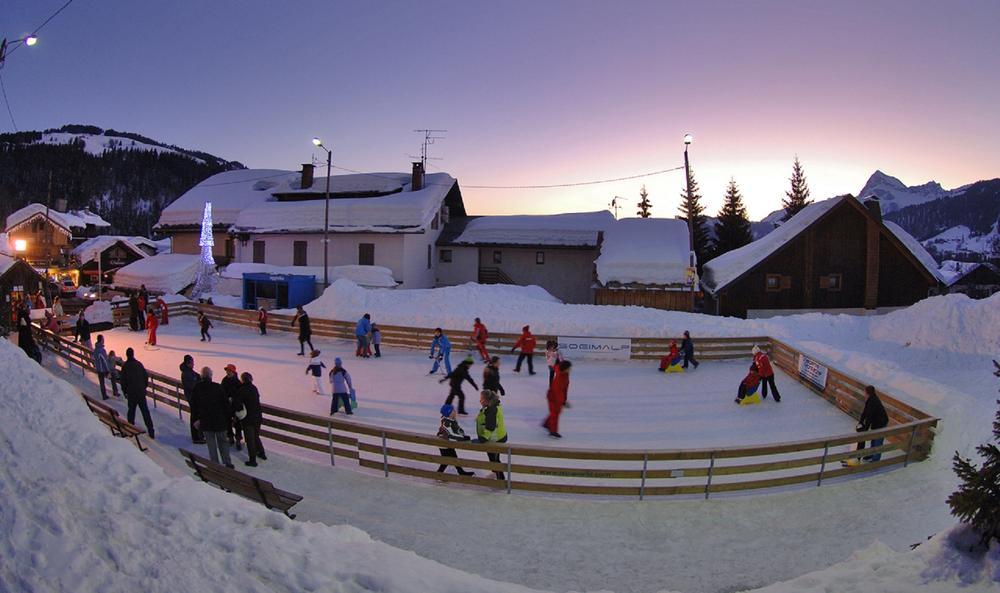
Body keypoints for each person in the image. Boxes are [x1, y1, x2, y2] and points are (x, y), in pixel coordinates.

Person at [191, 367, 233, 468]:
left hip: (206, 421)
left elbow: (194, 406)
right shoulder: (217, 387)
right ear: (210, 376)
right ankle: (227, 462)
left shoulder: (197, 388)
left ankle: (215, 464)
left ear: (202, 376)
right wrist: (229, 418)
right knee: (223, 442)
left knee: (211, 445)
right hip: (219, 421)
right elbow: (226, 404)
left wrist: (196, 419)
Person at [120, 347, 154, 439]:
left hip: (131, 393)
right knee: (145, 412)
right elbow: (145, 377)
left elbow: (123, 381)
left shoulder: (125, 366)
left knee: (131, 411)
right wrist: (143, 387)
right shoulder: (139, 364)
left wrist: (125, 391)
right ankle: (151, 430)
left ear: (127, 355)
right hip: (140, 392)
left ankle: (130, 428)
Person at [476, 390, 507, 480]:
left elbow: (490, 427)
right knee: (493, 457)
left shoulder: (491, 410)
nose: (480, 401)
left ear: (487, 400)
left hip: (495, 438)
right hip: (497, 436)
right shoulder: (492, 406)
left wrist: (483, 438)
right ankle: (495, 472)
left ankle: (501, 478)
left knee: (494, 459)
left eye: (481, 399)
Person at [436, 404, 475, 476]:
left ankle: (459, 472)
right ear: (449, 413)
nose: (455, 411)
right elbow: (451, 435)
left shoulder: (452, 421)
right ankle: (459, 472)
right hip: (444, 444)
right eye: (453, 410)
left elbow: (458, 431)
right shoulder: (446, 423)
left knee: (448, 460)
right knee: (449, 459)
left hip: (448, 443)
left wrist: (462, 435)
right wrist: (462, 438)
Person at [238, 372, 266, 466]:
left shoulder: (242, 390)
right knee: (256, 436)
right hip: (257, 417)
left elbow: (238, 404)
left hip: (248, 418)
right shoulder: (254, 388)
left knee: (250, 439)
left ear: (242, 380)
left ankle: (252, 460)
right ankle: (261, 453)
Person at [856, 385, 890, 461]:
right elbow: (865, 412)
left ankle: (875, 459)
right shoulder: (869, 399)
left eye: (864, 392)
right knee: (873, 439)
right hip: (876, 422)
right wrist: (860, 422)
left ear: (867, 393)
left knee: (878, 441)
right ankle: (871, 454)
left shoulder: (873, 401)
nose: (864, 393)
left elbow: (870, 416)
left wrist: (865, 428)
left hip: (881, 423)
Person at [180, 354, 204, 443]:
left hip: (194, 397)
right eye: (192, 363)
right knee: (195, 417)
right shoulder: (186, 373)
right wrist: (199, 384)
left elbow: (196, 376)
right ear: (188, 363)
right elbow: (191, 386)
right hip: (192, 398)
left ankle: (199, 434)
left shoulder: (189, 371)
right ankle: (196, 437)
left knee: (197, 416)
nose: (193, 364)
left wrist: (201, 378)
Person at [544, 360, 572, 438]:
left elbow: (556, 367)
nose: (570, 369)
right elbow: (558, 392)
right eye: (569, 368)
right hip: (553, 397)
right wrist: (562, 402)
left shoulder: (564, 373)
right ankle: (553, 431)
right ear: (565, 368)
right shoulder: (560, 378)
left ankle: (546, 424)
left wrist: (564, 400)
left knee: (555, 412)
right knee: (555, 414)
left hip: (558, 396)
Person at [221, 363, 244, 450]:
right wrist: (226, 398)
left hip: (235, 407)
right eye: (227, 370)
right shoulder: (224, 380)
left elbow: (240, 395)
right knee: (228, 423)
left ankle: (238, 440)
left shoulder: (238, 383)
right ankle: (230, 437)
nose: (227, 372)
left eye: (229, 370)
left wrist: (233, 399)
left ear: (233, 372)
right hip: (227, 406)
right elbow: (222, 392)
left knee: (237, 424)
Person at [93, 334, 112, 400]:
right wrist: (108, 370)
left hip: (98, 368)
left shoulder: (95, 349)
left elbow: (94, 359)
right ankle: (107, 394)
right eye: (103, 339)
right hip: (102, 369)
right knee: (111, 378)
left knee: (101, 382)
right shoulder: (101, 350)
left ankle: (104, 395)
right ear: (101, 340)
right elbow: (105, 361)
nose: (104, 340)